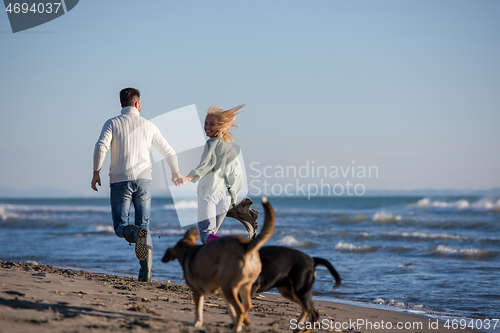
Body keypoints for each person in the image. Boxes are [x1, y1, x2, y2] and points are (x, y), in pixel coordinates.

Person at [91, 87, 182, 282]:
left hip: (119, 180)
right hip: (144, 181)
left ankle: (133, 232)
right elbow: (169, 151)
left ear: (121, 104)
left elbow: (100, 147)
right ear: (138, 104)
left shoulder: (112, 123)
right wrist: (175, 173)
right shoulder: (149, 125)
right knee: (144, 226)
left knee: (120, 226)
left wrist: (96, 172)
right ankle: (146, 273)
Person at [178, 105, 249, 244]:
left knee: (206, 235)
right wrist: (232, 198)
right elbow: (237, 176)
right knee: (211, 237)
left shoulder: (211, 143)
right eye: (205, 123)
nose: (207, 127)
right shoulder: (230, 148)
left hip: (209, 193)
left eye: (211, 124)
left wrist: (188, 178)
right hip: (226, 197)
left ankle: (232, 245)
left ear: (220, 127)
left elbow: (206, 165)